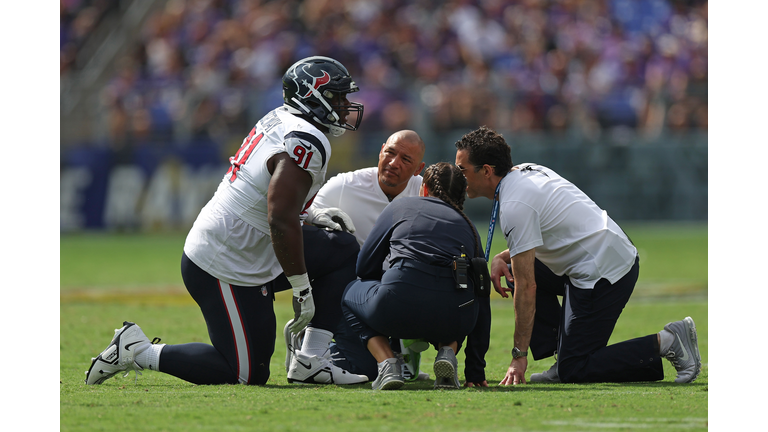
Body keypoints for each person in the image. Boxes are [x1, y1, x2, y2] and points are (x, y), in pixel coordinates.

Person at [85, 56, 368, 386]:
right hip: (226, 262)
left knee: (343, 249)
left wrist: (308, 213)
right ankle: (137, 350)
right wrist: (302, 288)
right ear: (311, 97)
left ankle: (312, 361)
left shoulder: (285, 119)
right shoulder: (305, 138)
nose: (345, 104)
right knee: (246, 373)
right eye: (336, 96)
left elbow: (266, 193)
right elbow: (278, 217)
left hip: (250, 246)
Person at [454, 126, 702, 385]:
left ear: (486, 170)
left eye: (463, 170)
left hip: (605, 270)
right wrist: (501, 257)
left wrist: (519, 356)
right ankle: (563, 358)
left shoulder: (515, 203)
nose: (460, 177)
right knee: (517, 269)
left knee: (575, 370)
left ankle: (668, 341)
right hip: (602, 254)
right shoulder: (523, 173)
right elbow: (539, 235)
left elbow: (528, 287)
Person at [284, 129, 430, 383]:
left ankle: (401, 351)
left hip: (394, 295)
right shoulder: (345, 186)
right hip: (350, 297)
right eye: (390, 153)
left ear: (419, 168)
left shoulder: (426, 193)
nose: (394, 163)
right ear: (381, 150)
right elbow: (298, 222)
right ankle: (311, 347)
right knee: (365, 370)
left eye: (406, 160)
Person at [340, 162, 491, 390]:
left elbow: (364, 268)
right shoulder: (470, 228)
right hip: (452, 319)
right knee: (462, 299)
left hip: (397, 304)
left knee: (350, 293)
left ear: (425, 189)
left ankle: (387, 363)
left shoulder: (400, 206)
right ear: (462, 195)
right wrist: (475, 370)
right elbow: (481, 296)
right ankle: (448, 351)